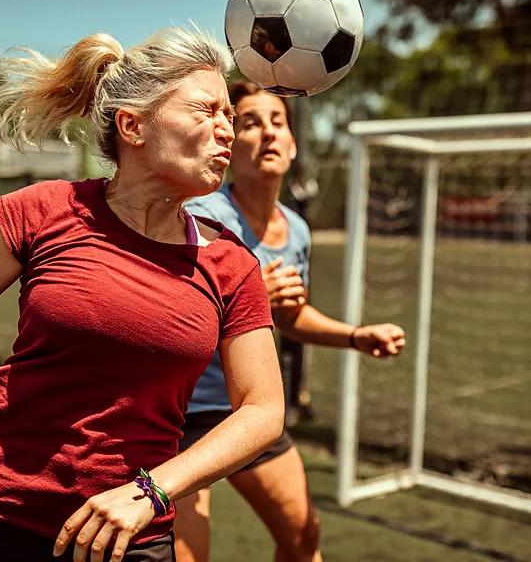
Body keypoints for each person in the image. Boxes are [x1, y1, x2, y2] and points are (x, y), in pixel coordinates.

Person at [0, 28, 286, 562]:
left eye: (230, 114)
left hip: (122, 544)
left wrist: (152, 490)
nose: (228, 130)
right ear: (133, 125)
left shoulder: (231, 264)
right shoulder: (43, 211)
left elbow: (263, 410)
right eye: (208, 110)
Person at [173, 81, 408, 562]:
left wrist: (355, 336)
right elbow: (174, 313)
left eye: (278, 122)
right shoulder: (201, 216)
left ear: (293, 142)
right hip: (180, 413)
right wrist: (252, 290)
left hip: (248, 410)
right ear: (230, 142)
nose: (268, 134)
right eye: (251, 124)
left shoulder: (296, 229)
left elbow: (291, 314)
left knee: (303, 540)